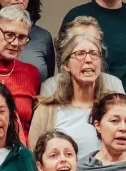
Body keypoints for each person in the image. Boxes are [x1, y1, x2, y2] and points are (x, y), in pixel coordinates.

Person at [32, 26, 115, 154]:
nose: (88, 60)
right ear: (66, 65)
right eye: (80, 54)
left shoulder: (115, 105)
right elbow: (35, 159)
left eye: (94, 54)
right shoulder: (46, 110)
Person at [0, 6, 43, 138]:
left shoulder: (31, 73)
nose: (15, 43)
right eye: (9, 35)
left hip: (21, 152)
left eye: (22, 37)